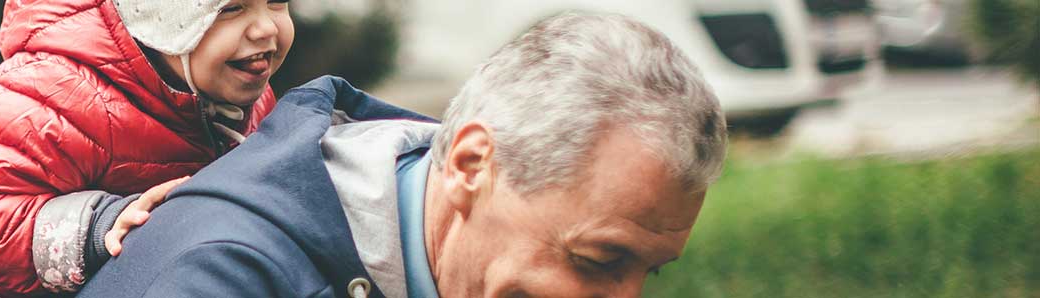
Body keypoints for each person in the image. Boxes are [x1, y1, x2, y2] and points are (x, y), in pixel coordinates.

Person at [79, 13, 728, 297]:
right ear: (472, 164)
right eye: (598, 260)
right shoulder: (215, 278)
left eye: (650, 271)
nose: (625, 297)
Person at [0, 0, 295, 296]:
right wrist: (99, 225)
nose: (265, 29)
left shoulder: (245, 97)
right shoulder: (58, 86)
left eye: (276, 2)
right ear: (161, 17)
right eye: (230, 9)